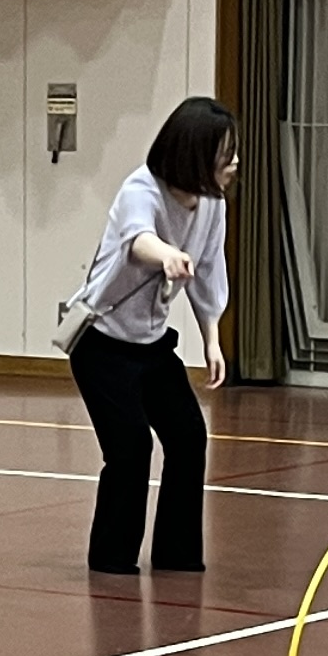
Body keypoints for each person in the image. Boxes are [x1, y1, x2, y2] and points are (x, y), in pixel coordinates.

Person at [68, 96, 236, 577]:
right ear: (195, 154)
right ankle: (111, 557)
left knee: (188, 436)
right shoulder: (140, 189)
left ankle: (177, 553)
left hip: (152, 345)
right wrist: (165, 254)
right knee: (130, 448)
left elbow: (208, 271)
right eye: (225, 153)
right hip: (101, 345)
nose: (234, 163)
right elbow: (138, 239)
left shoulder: (212, 205)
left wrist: (211, 339)